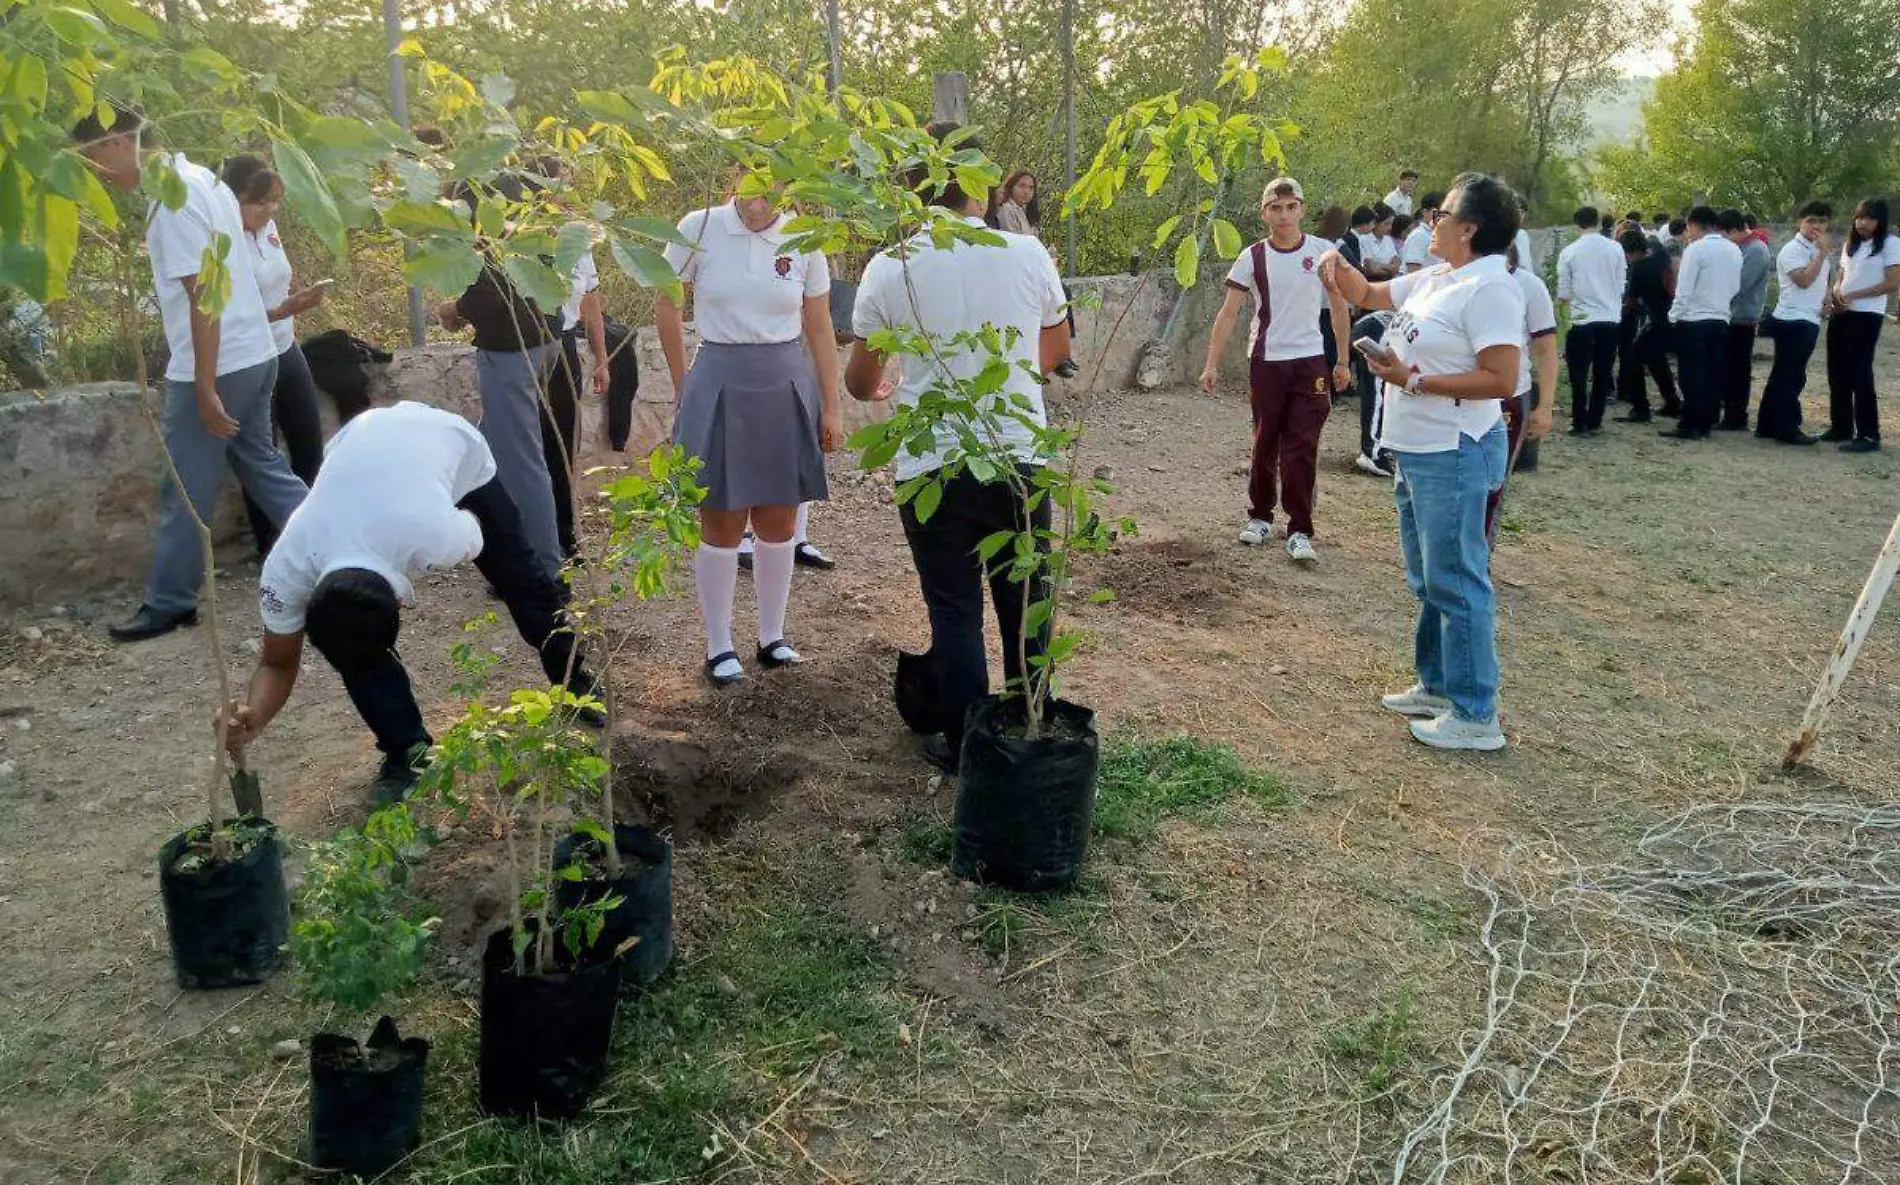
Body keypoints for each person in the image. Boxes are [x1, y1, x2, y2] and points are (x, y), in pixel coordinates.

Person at [224, 401, 601, 803]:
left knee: (523, 582)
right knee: (355, 646)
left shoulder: (438, 535)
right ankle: (407, 751)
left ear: (401, 604)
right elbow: (277, 661)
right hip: (358, 443)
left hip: (449, 444)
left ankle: (575, 683)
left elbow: (480, 534)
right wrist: (253, 717)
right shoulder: (286, 568)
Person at [844, 122, 1069, 772]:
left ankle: (970, 750)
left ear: (914, 189)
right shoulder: (1028, 255)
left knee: (954, 608)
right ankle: (1030, 730)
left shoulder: (890, 267)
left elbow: (861, 381)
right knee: (1025, 599)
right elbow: (1054, 355)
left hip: (931, 467)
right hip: (1017, 456)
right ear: (983, 186)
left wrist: (892, 378)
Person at [75, 107, 308, 643]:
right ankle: (349, 550)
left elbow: (203, 297)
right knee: (263, 467)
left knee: (183, 489)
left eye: (94, 159)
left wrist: (203, 385)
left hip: (220, 362)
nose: (98, 174)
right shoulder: (201, 176)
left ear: (116, 143)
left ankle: (171, 601)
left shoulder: (173, 201)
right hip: (255, 353)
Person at [1319, 172, 1525, 752]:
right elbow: (1369, 294)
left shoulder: (1490, 288)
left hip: (1452, 450)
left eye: (1445, 215)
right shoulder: (1440, 277)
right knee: (1427, 576)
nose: (1432, 222)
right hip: (1416, 449)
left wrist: (1415, 378)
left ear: (1470, 228)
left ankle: (1476, 713)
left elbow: (1501, 378)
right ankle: (1437, 685)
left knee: (1457, 579)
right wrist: (1333, 269)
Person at [658, 181, 842, 686]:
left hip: (783, 380)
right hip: (719, 376)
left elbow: (820, 325)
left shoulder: (805, 236)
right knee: (720, 517)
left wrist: (832, 406)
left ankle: (771, 636)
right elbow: (667, 302)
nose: (757, 204)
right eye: (749, 190)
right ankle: (719, 644)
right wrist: (682, 384)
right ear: (732, 182)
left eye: (771, 191)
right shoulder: (698, 227)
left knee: (780, 517)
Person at [1199, 177, 1352, 564]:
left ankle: (1300, 528)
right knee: (1266, 440)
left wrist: (1343, 360)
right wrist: (1211, 364)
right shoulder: (1252, 257)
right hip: (1267, 360)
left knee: (1301, 445)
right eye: (1275, 207)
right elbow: (1229, 311)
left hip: (1310, 361)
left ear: (1301, 208)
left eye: (1290, 206)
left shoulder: (1323, 253)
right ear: (1264, 211)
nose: (1283, 215)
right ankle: (1260, 516)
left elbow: (1338, 307)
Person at [434, 177, 564, 578]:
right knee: (485, 447)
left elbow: (489, 291)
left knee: (521, 464)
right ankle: (491, 544)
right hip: (545, 342)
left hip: (511, 354)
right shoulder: (521, 204)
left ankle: (544, 567)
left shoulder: (479, 212)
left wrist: (454, 308)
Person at [221, 155, 331, 557]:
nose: (269, 211)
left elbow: (275, 279)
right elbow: (222, 309)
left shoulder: (269, 229)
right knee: (261, 450)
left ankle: (310, 531)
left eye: (275, 202)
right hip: (248, 352)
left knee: (307, 439)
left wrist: (292, 305)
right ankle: (271, 545)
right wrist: (278, 311)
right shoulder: (221, 238)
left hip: (284, 344)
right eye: (259, 202)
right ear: (234, 198)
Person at [1488, 239, 1557, 536]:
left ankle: (1478, 567)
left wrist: (1545, 406)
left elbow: (1545, 350)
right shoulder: (1448, 278)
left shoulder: (1529, 286)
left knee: (1494, 485)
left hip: (1509, 398)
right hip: (1457, 395)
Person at [1825, 198, 1900, 452]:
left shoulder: (1890, 245)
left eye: (1868, 218)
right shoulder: (1851, 245)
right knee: (1837, 371)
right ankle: (1840, 427)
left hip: (1867, 315)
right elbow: (1841, 276)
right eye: (1858, 217)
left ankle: (1869, 434)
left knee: (1860, 372)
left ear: (1880, 221)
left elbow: (1891, 284)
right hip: (1842, 313)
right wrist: (1836, 293)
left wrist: (1854, 296)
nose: (1862, 223)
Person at [1660, 206, 1741, 441]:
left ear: (1694, 224)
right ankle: (1705, 422)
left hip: (1693, 319)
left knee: (1690, 374)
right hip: (1720, 318)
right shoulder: (1733, 249)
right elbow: (1735, 287)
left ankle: (1689, 423)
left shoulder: (1696, 249)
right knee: (1711, 373)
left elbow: (1684, 288)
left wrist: (1674, 316)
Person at [1756, 202, 1833, 445]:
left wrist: (1828, 298)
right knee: (1792, 376)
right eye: (1811, 220)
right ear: (1799, 221)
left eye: (1822, 221)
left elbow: (1821, 280)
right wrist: (1821, 254)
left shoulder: (1815, 249)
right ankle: (1787, 427)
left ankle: (1767, 424)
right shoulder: (1793, 250)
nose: (1817, 226)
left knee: (1783, 374)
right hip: (1793, 319)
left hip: (1808, 316)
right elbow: (1803, 280)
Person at [1556, 206, 1627, 436]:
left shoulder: (1570, 252)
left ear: (1576, 225)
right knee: (1603, 370)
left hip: (1582, 319)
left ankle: (1579, 419)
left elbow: (1564, 293)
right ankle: (1595, 418)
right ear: (1598, 223)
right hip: (1609, 317)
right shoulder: (1615, 248)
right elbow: (1620, 285)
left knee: (1578, 372)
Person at [1614, 231, 1679, 423]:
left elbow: (1631, 301)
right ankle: (1673, 403)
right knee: (1655, 360)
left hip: (1660, 320)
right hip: (1672, 315)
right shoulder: (1659, 254)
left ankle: (1640, 408)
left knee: (1633, 358)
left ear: (1628, 252)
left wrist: (1616, 315)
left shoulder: (1639, 268)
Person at [1718, 207, 1771, 431]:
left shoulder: (1756, 250)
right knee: (1727, 368)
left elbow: (1741, 285)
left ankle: (1736, 416)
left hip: (1743, 318)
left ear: (1733, 230)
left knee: (1738, 370)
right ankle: (1728, 412)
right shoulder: (1740, 247)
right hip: (1730, 316)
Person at [1400, 192, 1444, 273]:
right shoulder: (1419, 236)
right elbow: (1412, 271)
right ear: (1425, 212)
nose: (1440, 216)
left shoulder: (1438, 234)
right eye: (1437, 212)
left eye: (1444, 213)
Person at [988, 170, 1041, 236]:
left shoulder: (1024, 210)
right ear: (1011, 187)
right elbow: (1013, 239)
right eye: (1022, 186)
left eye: (1031, 188)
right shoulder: (1007, 209)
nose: (1026, 191)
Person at [1362, 206, 1402, 279]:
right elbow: (1373, 269)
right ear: (1375, 223)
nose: (1390, 227)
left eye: (1391, 224)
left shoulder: (1388, 239)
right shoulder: (1364, 240)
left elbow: (1396, 260)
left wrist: (1381, 265)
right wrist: (1391, 269)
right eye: (1386, 223)